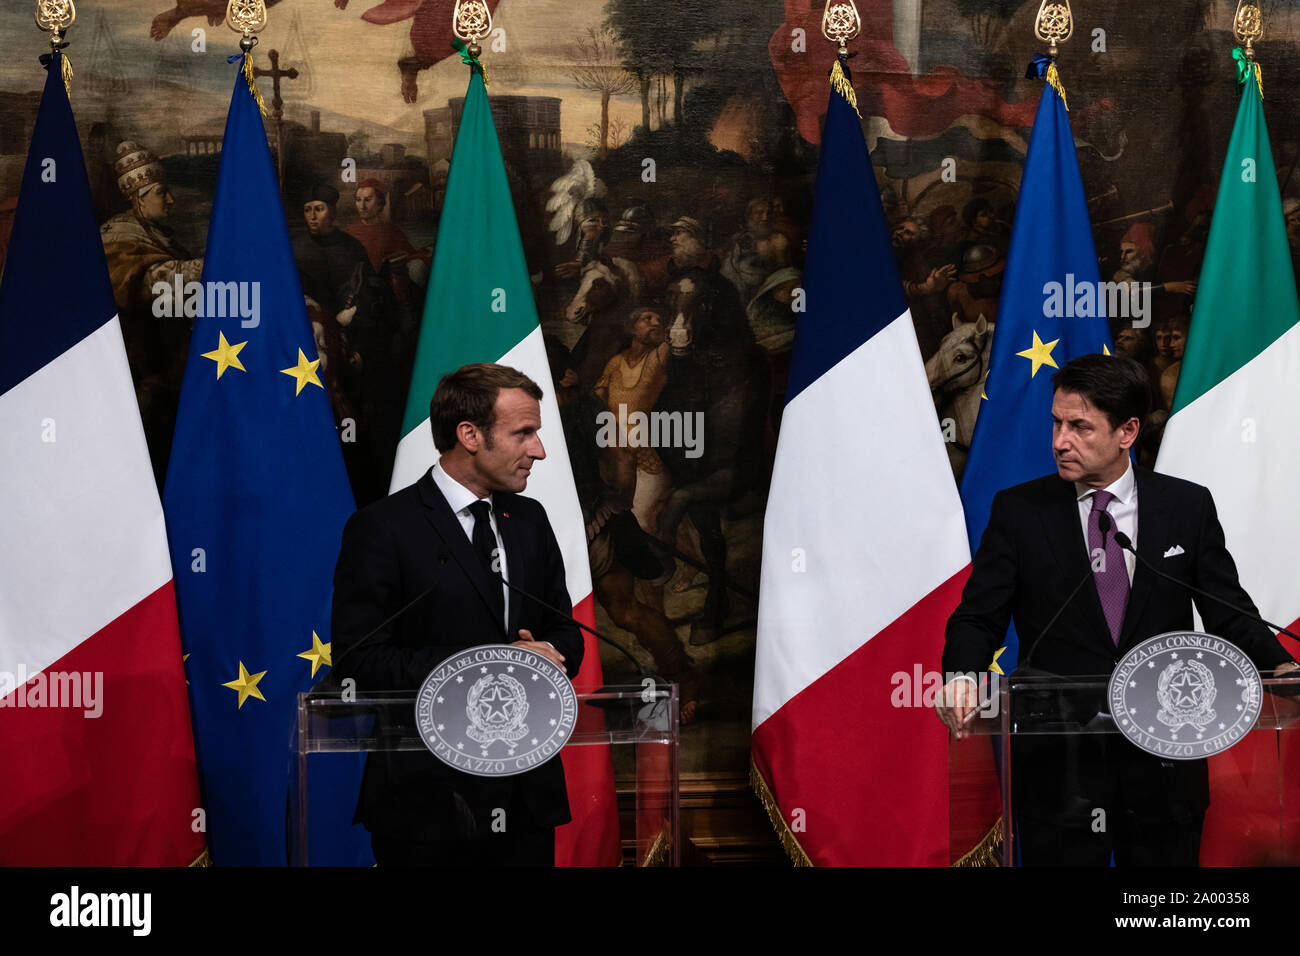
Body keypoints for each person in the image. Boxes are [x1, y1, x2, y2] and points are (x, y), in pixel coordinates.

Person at [937, 353, 1298, 866]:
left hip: (1164, 762)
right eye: (1057, 423)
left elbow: (1228, 610)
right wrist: (962, 673)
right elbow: (979, 615)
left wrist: (1282, 666)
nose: (1060, 441)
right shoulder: (1020, 511)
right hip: (1060, 765)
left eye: (1080, 427)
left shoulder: (1186, 507)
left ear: (1127, 431)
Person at [331, 363, 583, 866]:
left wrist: (549, 653)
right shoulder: (383, 528)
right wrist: (497, 662)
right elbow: (360, 661)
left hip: (524, 795)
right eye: (523, 433)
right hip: (426, 798)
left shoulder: (528, 520)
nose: (539, 450)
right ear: (469, 434)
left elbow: (565, 632)